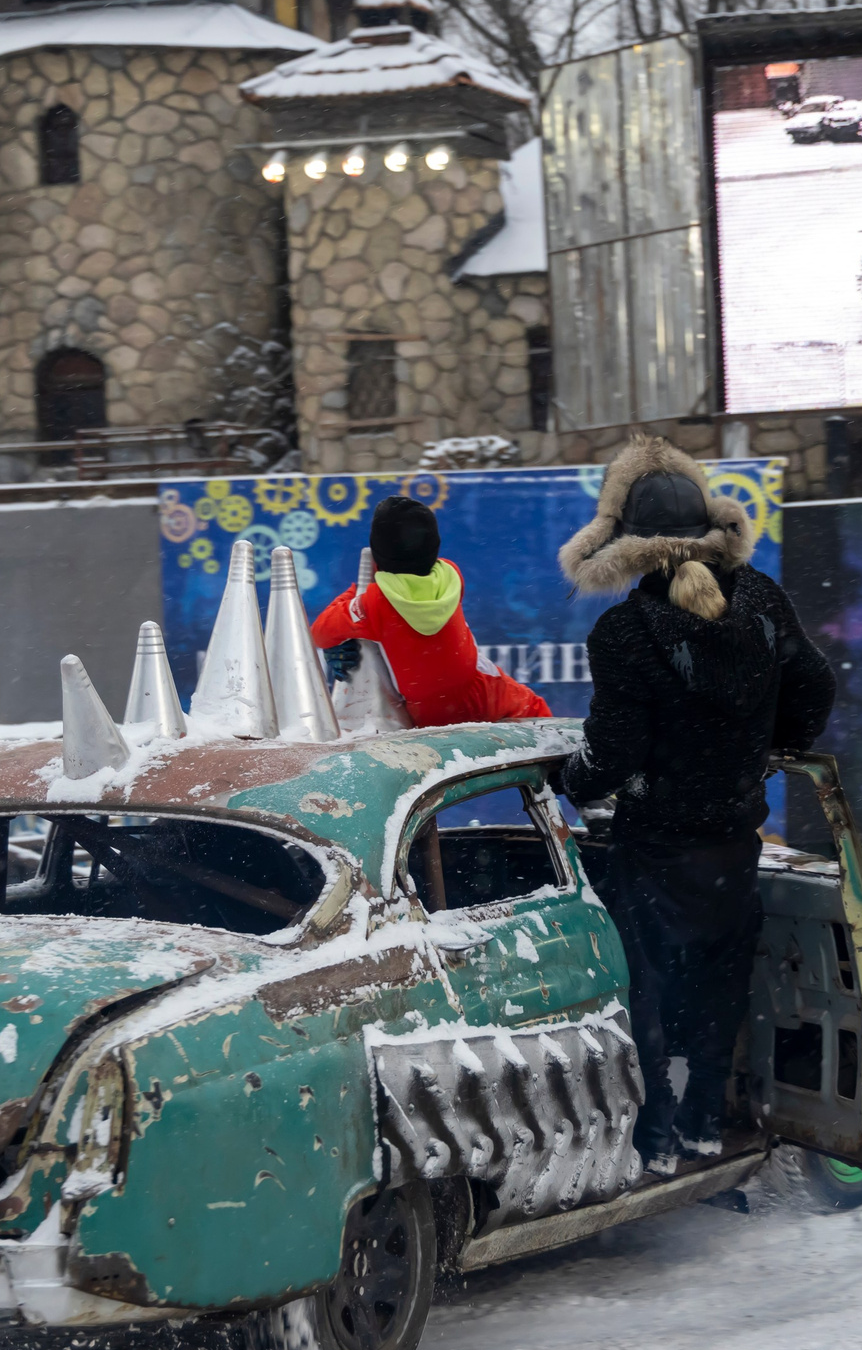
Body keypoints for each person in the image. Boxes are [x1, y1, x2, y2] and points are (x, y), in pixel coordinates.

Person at [557, 436, 835, 1174]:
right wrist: (768, 747)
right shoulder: (764, 602)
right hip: (734, 843)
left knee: (645, 988)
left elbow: (610, 753)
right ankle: (707, 1122)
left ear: (631, 549)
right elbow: (816, 685)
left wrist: (574, 781)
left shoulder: (624, 631)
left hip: (655, 847)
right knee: (718, 984)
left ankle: (655, 1140)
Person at [309, 494, 551, 725]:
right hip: (483, 692)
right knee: (537, 713)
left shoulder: (373, 603)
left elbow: (319, 631)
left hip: (429, 713)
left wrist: (360, 587)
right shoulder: (452, 574)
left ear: (378, 555)